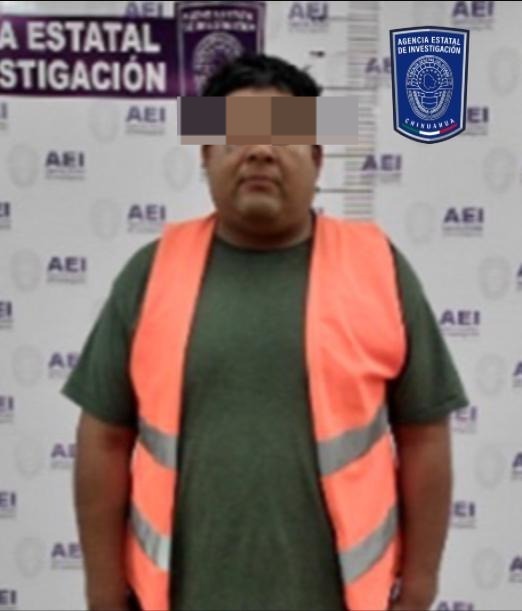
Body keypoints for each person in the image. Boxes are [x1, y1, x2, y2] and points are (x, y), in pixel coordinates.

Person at [63, 53, 468, 611]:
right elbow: (104, 439)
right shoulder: (151, 273)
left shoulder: (379, 269)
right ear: (206, 154)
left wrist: (420, 584)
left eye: (284, 134)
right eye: (236, 136)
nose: (259, 150)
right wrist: (104, 590)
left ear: (318, 157)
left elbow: (424, 435)